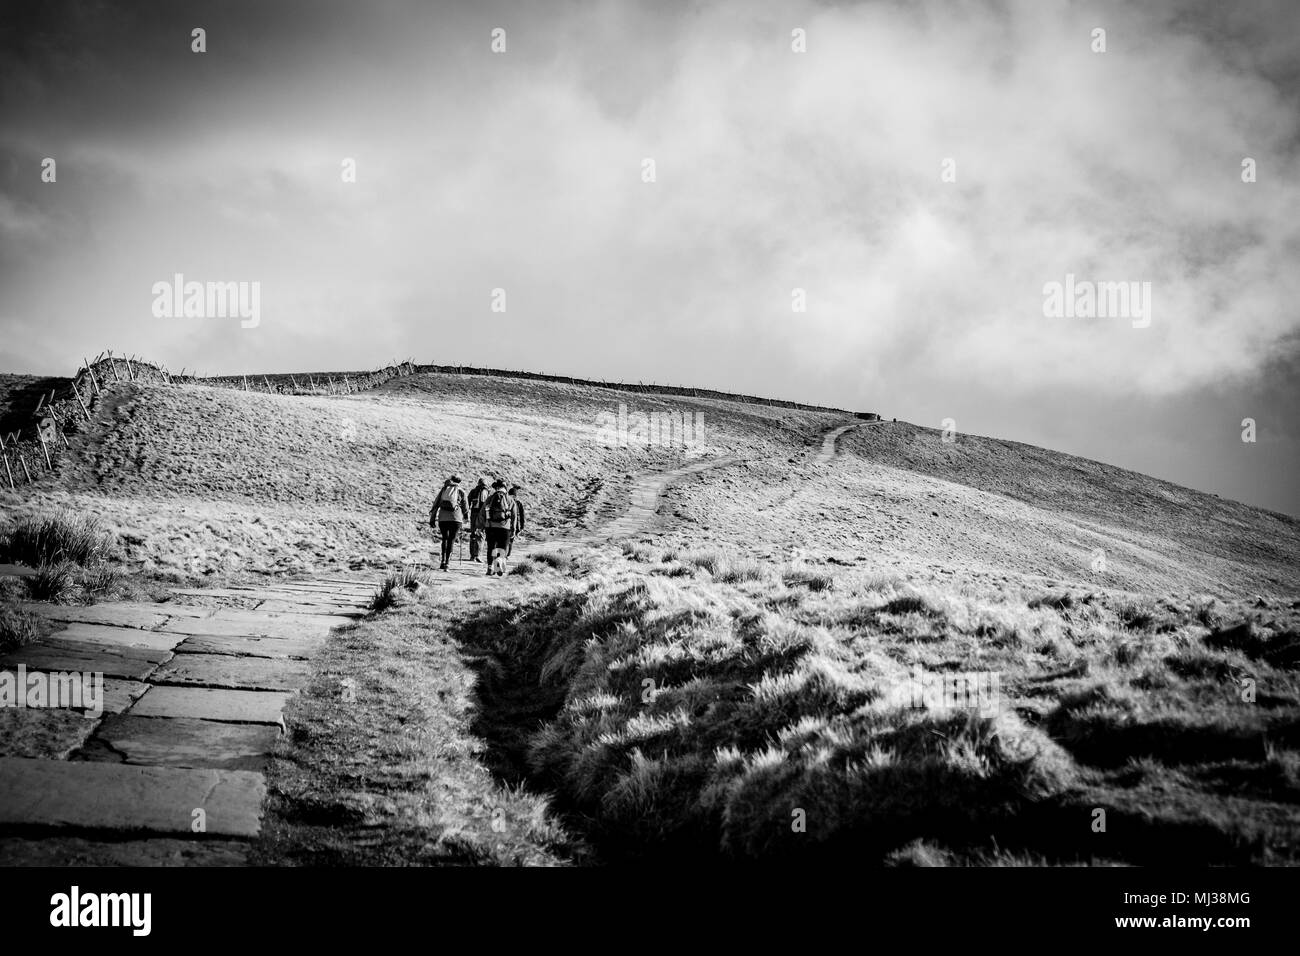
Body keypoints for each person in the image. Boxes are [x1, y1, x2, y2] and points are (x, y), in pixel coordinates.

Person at [430, 475, 468, 570]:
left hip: (443, 518)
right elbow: (465, 507)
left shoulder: (444, 490)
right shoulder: (461, 491)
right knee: (451, 539)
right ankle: (447, 563)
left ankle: (442, 561)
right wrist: (466, 517)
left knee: (445, 539)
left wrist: (433, 518)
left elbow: (436, 504)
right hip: (456, 519)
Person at [482, 479, 516, 576]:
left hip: (490, 527)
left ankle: (489, 568)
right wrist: (513, 529)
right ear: (505, 488)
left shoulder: (490, 498)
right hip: (504, 527)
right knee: (502, 547)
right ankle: (498, 566)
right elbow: (514, 516)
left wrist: (480, 526)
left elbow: (482, 513)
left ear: (496, 488)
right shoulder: (510, 500)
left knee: (491, 547)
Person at [466, 477, 489, 562]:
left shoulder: (473, 491)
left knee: (473, 534)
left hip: (473, 514)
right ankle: (478, 555)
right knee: (481, 534)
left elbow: (467, 503)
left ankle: (472, 556)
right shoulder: (487, 492)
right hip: (482, 515)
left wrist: (465, 514)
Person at [506, 485, 526, 556]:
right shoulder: (508, 502)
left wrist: (522, 527)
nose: (513, 497)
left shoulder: (518, 503)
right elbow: (522, 516)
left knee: (510, 540)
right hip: (510, 524)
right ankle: (507, 555)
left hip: (512, 524)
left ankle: (507, 555)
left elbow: (522, 516)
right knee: (509, 540)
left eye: (513, 496)